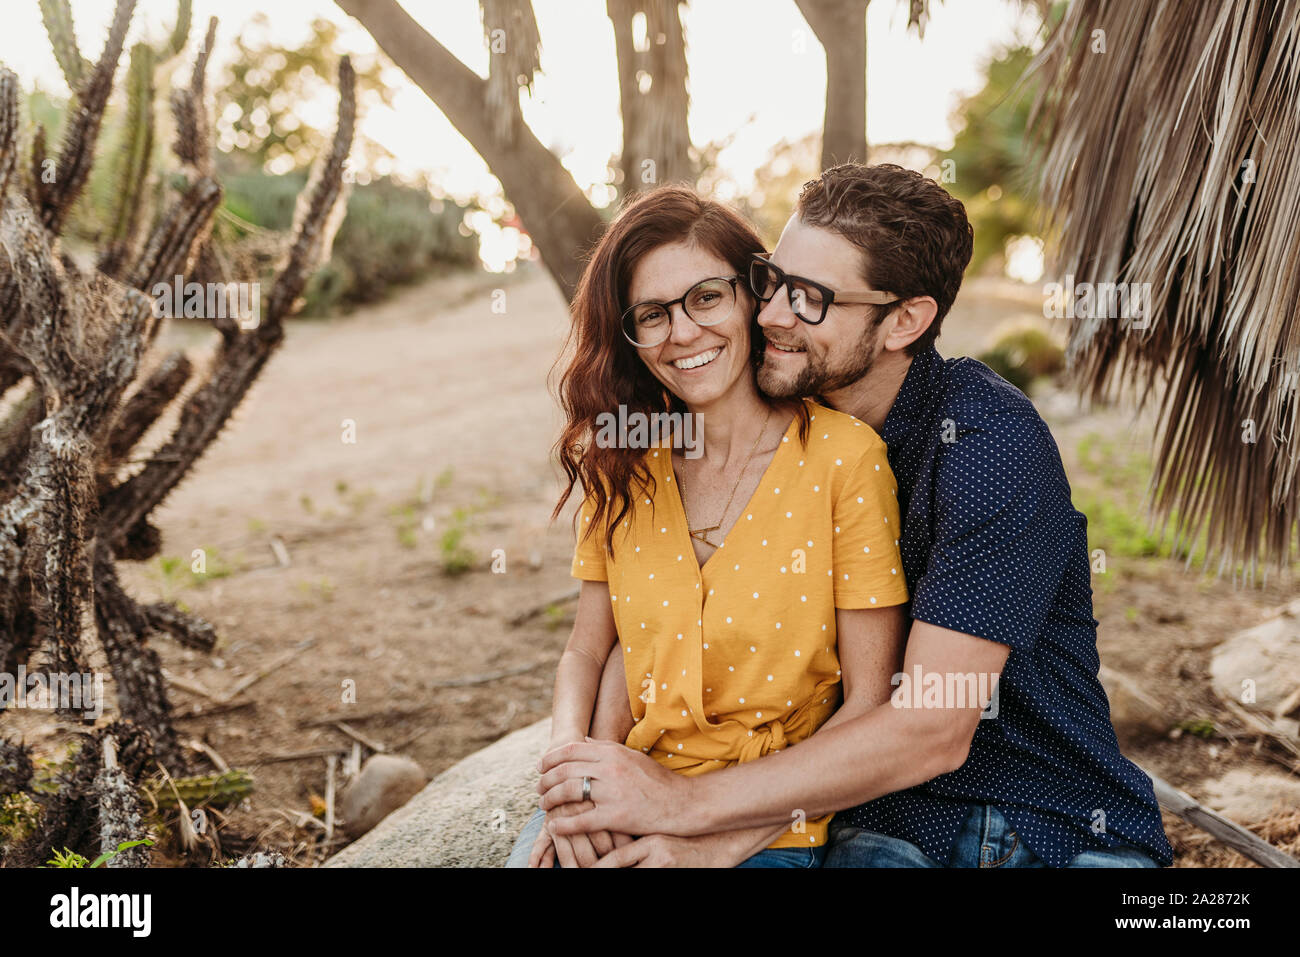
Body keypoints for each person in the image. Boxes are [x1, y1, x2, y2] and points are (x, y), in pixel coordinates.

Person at [537, 164, 1174, 868]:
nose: (772, 312)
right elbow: (642, 623)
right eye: (771, 281)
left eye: (810, 299)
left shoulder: (987, 443)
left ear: (905, 319)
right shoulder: (740, 438)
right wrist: (589, 782)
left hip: (1028, 823)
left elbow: (932, 726)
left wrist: (685, 809)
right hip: (868, 821)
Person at [503, 184, 909, 867]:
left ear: (754, 295)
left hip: (764, 825)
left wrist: (716, 841)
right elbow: (586, 651)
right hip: (619, 791)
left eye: (706, 297)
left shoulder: (845, 459)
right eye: (653, 314)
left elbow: (868, 704)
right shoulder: (623, 457)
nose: (683, 332)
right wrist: (571, 778)